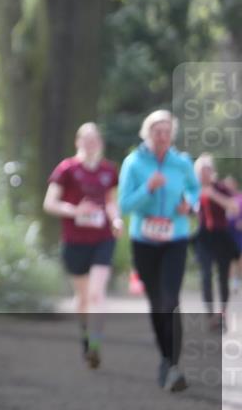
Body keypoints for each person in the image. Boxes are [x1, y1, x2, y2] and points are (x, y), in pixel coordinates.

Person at [118, 110, 199, 392]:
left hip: (175, 239)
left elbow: (194, 190)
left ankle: (175, 366)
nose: (162, 136)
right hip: (144, 241)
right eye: (157, 131)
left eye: (167, 131)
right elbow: (124, 205)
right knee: (156, 303)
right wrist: (147, 189)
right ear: (147, 134)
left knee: (170, 299)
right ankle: (165, 358)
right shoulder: (134, 163)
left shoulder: (182, 162)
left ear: (172, 134)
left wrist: (190, 204)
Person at [43, 123, 122, 369]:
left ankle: (96, 344)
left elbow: (111, 201)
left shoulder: (109, 170)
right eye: (85, 140)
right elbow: (50, 203)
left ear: (100, 143)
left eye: (94, 140)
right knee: (83, 297)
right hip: (75, 241)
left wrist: (116, 219)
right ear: (78, 142)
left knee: (97, 292)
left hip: (102, 239)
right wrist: (76, 210)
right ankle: (86, 338)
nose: (90, 145)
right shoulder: (66, 169)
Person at [193, 157, 241, 331]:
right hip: (203, 237)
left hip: (221, 236)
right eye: (201, 170)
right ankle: (210, 315)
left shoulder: (220, 187)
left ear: (212, 171)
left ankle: (222, 314)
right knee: (205, 276)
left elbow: (234, 207)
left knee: (222, 278)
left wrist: (214, 195)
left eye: (207, 169)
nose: (204, 173)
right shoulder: (193, 188)